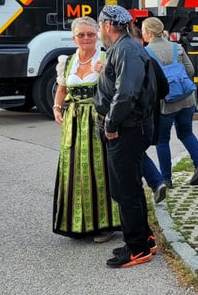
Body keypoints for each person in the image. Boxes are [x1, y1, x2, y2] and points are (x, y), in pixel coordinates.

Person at [94, 5, 158, 268]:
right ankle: (143, 238)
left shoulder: (126, 49)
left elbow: (127, 92)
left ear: (108, 25)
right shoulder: (124, 47)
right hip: (129, 126)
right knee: (129, 186)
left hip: (127, 128)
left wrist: (111, 123)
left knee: (125, 190)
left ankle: (137, 248)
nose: (99, 30)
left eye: (99, 25)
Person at [51, 16, 122, 242]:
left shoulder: (106, 58)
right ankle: (76, 223)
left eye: (90, 34)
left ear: (97, 35)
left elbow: (119, 90)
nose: (86, 38)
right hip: (73, 122)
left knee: (99, 170)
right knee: (74, 171)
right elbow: (62, 89)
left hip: (98, 119)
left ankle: (105, 224)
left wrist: (106, 73)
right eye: (81, 35)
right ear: (74, 38)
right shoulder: (67, 61)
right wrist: (56, 107)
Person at [142, 17, 198, 187]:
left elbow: (147, 81)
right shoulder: (177, 47)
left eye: (143, 31)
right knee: (186, 133)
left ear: (149, 33)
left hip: (166, 103)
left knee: (162, 140)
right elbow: (190, 70)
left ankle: (166, 179)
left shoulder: (146, 53)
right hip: (187, 100)